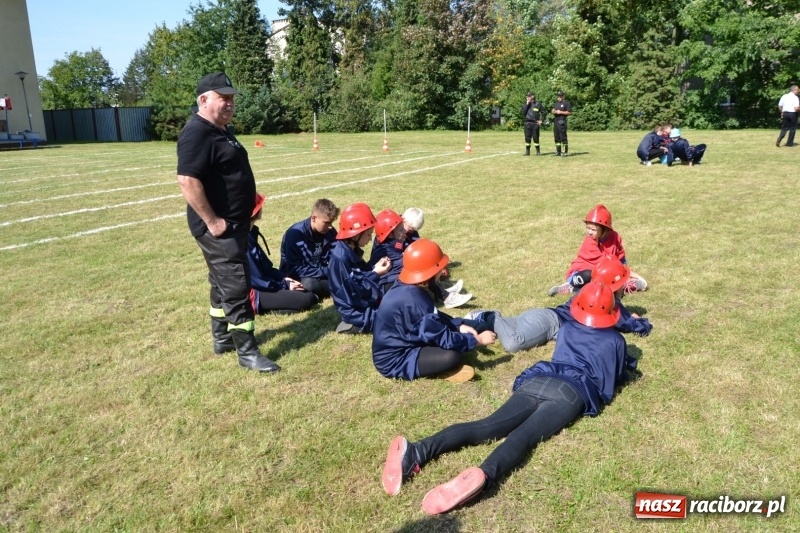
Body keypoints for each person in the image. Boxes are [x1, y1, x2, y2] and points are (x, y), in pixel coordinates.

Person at [381, 281, 639, 514]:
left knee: (487, 425)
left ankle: (417, 451)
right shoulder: (615, 340)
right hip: (570, 393)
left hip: (540, 379)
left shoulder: (568, 328)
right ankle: (484, 476)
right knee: (524, 437)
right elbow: (607, 386)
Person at [176, 72, 279, 373]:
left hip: (235, 222)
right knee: (235, 283)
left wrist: (248, 204)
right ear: (204, 100)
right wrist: (213, 221)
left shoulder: (220, 129)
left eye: (232, 97)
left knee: (220, 281)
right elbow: (187, 180)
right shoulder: (197, 132)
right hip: (219, 228)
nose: (231, 103)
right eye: (224, 98)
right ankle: (247, 352)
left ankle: (222, 338)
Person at [466, 255, 652, 354]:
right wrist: (639, 320)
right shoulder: (607, 302)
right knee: (514, 343)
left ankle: (474, 323)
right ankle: (490, 315)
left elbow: (623, 321)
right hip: (551, 321)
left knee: (501, 332)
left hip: (548, 321)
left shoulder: (596, 293)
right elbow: (635, 326)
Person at [372, 239, 497, 383]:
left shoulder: (411, 286)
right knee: (452, 356)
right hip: (396, 359)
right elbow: (443, 336)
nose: (442, 273)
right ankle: (439, 369)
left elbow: (433, 316)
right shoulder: (414, 299)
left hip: (410, 339)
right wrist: (477, 341)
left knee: (473, 326)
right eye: (439, 270)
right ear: (428, 274)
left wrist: (457, 325)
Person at [548, 205, 647, 296]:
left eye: (593, 230)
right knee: (588, 275)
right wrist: (630, 275)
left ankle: (625, 285)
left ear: (604, 230)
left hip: (606, 273)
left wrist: (626, 273)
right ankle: (570, 286)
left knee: (610, 281)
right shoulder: (589, 241)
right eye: (587, 228)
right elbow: (605, 264)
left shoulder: (615, 237)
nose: (589, 232)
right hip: (583, 273)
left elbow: (621, 260)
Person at [247, 193, 318, 315]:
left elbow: (266, 269)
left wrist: (285, 279)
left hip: (262, 286)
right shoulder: (243, 240)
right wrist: (284, 284)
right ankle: (261, 308)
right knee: (307, 299)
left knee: (306, 293)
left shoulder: (250, 234)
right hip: (253, 293)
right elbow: (258, 280)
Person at [328, 203, 391, 334]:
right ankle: (351, 325)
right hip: (356, 311)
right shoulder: (341, 258)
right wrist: (375, 273)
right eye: (368, 235)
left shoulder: (351, 249)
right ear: (356, 235)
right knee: (394, 321)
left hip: (365, 302)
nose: (370, 239)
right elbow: (355, 292)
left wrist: (375, 267)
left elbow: (360, 275)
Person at [401, 207, 471, 308]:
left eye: (414, 230)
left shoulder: (408, 230)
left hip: (406, 263)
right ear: (404, 220)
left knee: (426, 268)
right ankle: (446, 297)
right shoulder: (393, 230)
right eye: (411, 229)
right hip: (397, 267)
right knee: (423, 272)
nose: (411, 232)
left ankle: (443, 291)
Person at [279, 199, 340, 299]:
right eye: (327, 223)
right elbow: (295, 269)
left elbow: (336, 255)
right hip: (298, 277)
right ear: (314, 218)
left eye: (331, 223)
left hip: (319, 273)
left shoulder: (330, 232)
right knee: (309, 283)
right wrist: (327, 271)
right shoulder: (295, 234)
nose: (330, 227)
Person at [521, 91, 545, 156]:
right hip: (527, 123)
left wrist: (541, 120)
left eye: (529, 96)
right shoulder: (525, 104)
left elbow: (543, 112)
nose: (527, 97)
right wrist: (527, 104)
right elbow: (523, 113)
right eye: (527, 96)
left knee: (536, 137)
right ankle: (527, 152)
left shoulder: (538, 104)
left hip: (535, 123)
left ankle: (538, 152)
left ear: (533, 96)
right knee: (527, 138)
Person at [551, 90, 572, 157]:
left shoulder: (566, 103)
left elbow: (569, 112)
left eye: (560, 96)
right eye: (558, 96)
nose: (558, 98)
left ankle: (565, 152)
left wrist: (561, 112)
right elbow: (553, 110)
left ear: (563, 96)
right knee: (556, 137)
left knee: (563, 137)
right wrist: (553, 111)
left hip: (562, 121)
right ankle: (558, 151)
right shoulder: (556, 103)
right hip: (556, 121)